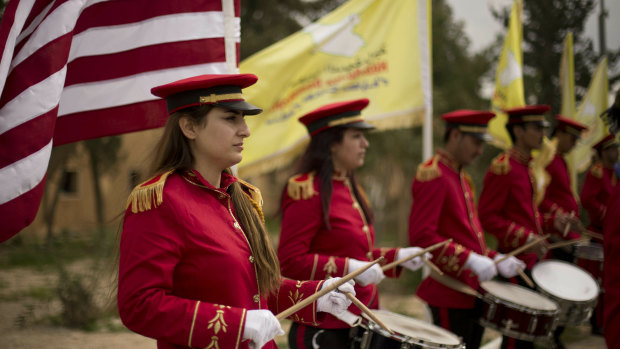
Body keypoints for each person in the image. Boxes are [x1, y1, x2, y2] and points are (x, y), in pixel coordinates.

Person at [117, 74, 356, 349]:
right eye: (231, 119)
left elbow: (254, 290)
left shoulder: (241, 197)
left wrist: (317, 295)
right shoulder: (160, 201)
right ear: (189, 127)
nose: (245, 130)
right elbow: (139, 305)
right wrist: (235, 324)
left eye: (243, 119)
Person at [277, 98, 429, 349]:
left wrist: (396, 256)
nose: (365, 144)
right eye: (357, 136)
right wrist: (349, 267)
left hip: (360, 321)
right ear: (333, 143)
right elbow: (290, 261)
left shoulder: (350, 187)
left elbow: (359, 254)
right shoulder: (307, 190)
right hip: (325, 327)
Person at [408, 110, 525, 349]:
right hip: (448, 293)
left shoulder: (459, 176)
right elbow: (422, 236)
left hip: (471, 293)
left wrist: (494, 257)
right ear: (455, 136)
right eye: (476, 142)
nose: (480, 151)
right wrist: (468, 260)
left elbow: (467, 236)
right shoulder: (434, 175)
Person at [478, 105, 569, 349]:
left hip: (534, 264)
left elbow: (528, 215)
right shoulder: (503, 167)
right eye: (537, 128)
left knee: (528, 340)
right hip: (514, 266)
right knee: (515, 341)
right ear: (518, 131)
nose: (543, 134)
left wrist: (551, 222)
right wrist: (526, 238)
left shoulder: (526, 168)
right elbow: (487, 216)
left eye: (543, 128)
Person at [580, 133, 619, 237]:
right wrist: (605, 212)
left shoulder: (614, 172)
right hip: (599, 232)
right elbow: (586, 199)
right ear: (604, 152)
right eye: (613, 149)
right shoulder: (597, 172)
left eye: (617, 148)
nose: (617, 152)